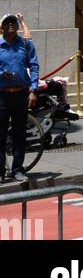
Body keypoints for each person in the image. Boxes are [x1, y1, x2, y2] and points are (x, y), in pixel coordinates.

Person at [0, 13, 39, 184]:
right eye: (6, 23)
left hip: (21, 94)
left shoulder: (25, 44)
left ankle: (17, 169)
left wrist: (33, 90)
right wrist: (2, 74)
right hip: (1, 95)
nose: (10, 25)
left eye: (13, 22)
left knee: (19, 134)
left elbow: (34, 66)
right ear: (1, 27)